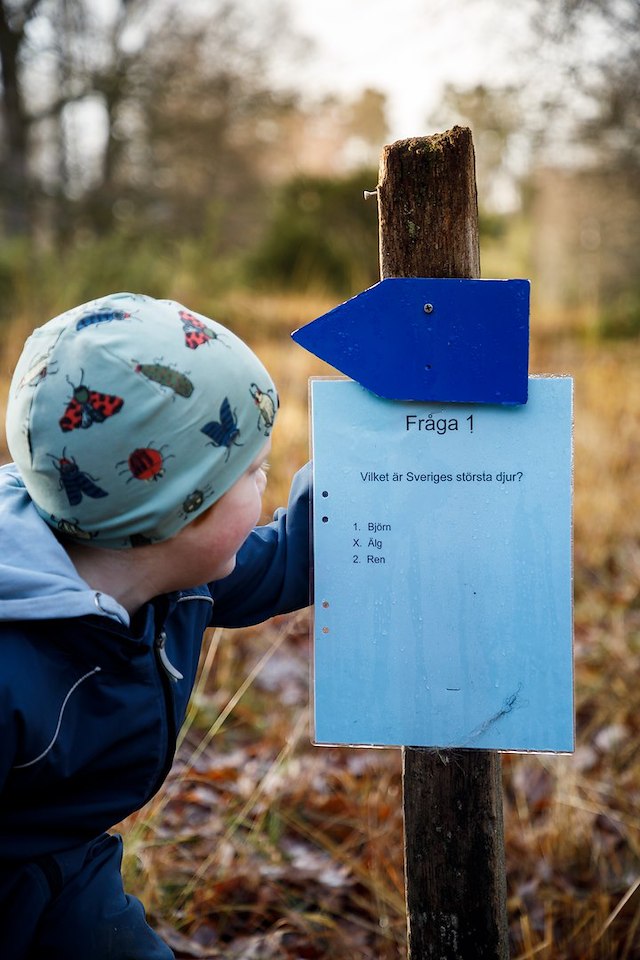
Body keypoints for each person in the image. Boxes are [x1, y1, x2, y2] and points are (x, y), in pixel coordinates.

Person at [0, 292, 311, 959]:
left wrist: (385, 466)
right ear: (177, 508)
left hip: (67, 876)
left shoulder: (175, 577)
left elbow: (294, 554)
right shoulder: (10, 668)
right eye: (253, 471)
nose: (269, 480)